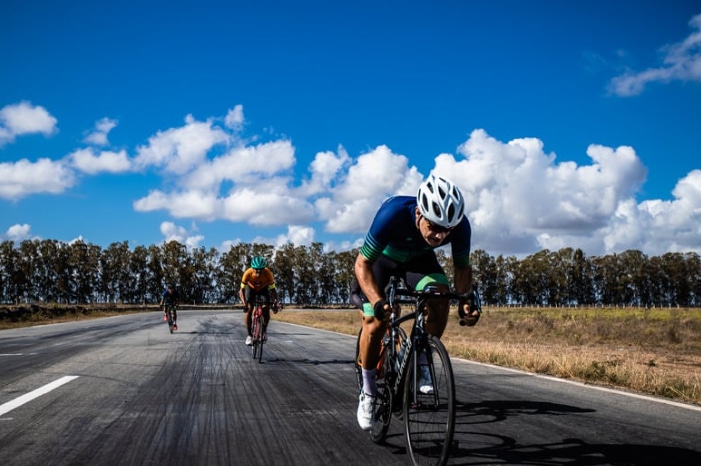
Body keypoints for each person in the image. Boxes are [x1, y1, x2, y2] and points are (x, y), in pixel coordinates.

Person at [351, 174, 481, 431]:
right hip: (381, 260)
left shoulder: (460, 225)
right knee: (374, 323)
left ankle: (422, 358)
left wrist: (465, 300)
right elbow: (362, 263)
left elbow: (463, 269)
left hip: (418, 262)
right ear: (420, 213)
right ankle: (368, 392)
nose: (439, 236)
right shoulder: (393, 213)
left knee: (440, 296)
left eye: (447, 231)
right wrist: (377, 301)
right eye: (433, 227)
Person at [239, 256, 280, 346]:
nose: (258, 272)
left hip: (263, 289)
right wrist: (244, 303)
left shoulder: (268, 273)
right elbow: (241, 290)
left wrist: (275, 302)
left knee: (266, 309)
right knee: (249, 309)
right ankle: (249, 335)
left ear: (263, 268)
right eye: (256, 270)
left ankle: (264, 331)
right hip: (251, 289)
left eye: (260, 270)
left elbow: (273, 290)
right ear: (252, 268)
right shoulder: (247, 273)